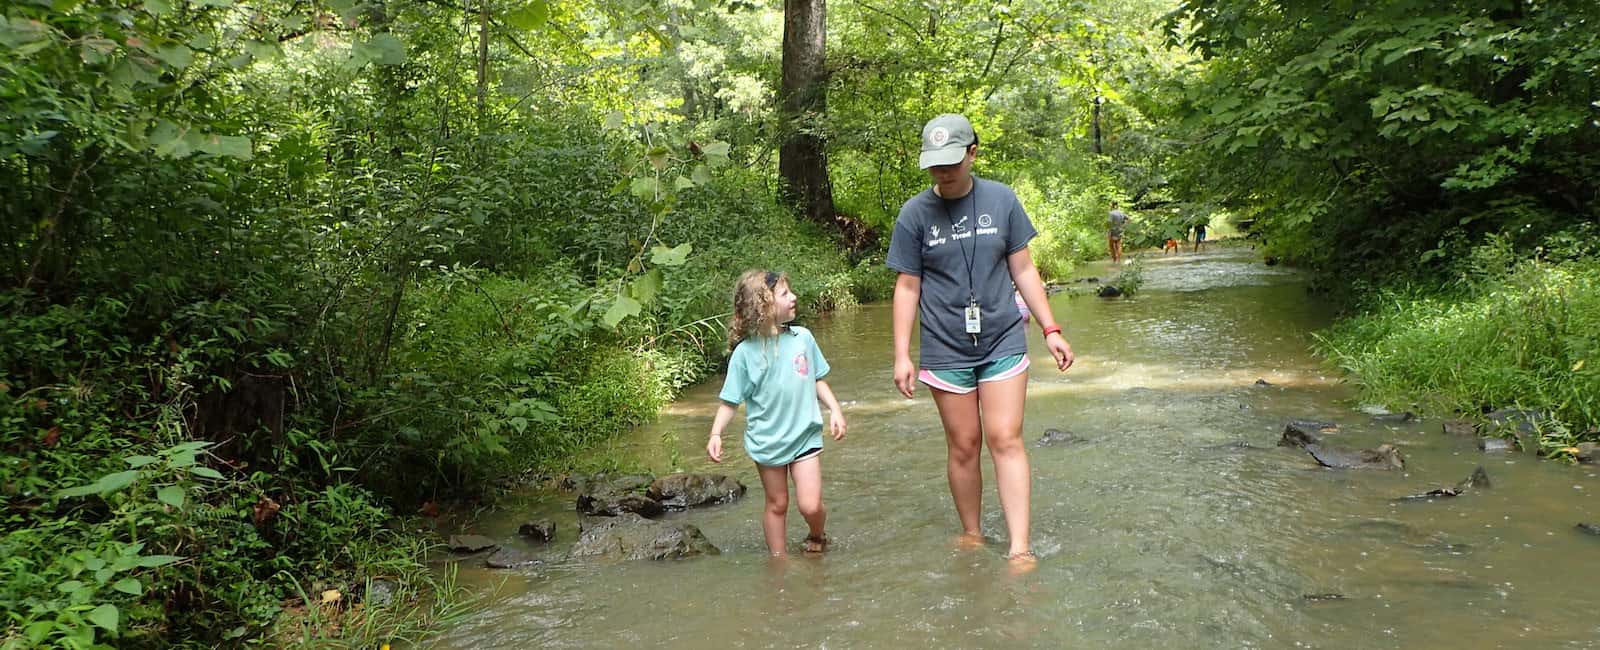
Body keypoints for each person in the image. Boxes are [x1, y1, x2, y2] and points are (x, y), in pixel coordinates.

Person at [886, 114, 1075, 568]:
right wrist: (901, 355)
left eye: (952, 161)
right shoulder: (914, 214)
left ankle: (1019, 547)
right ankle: (971, 532)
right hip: (944, 344)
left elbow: (1024, 269)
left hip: (1003, 337)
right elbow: (907, 286)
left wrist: (1051, 329)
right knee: (964, 444)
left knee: (1005, 437)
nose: (944, 172)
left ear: (973, 153)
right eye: (935, 165)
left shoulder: (1001, 199)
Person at [708, 270, 847, 557]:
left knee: (810, 504)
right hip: (767, 441)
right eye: (785, 294)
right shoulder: (744, 354)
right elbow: (730, 401)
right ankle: (779, 561)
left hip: (804, 435)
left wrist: (834, 409)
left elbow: (817, 379)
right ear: (763, 306)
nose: (794, 297)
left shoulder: (803, 339)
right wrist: (716, 433)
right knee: (777, 503)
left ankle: (817, 534)